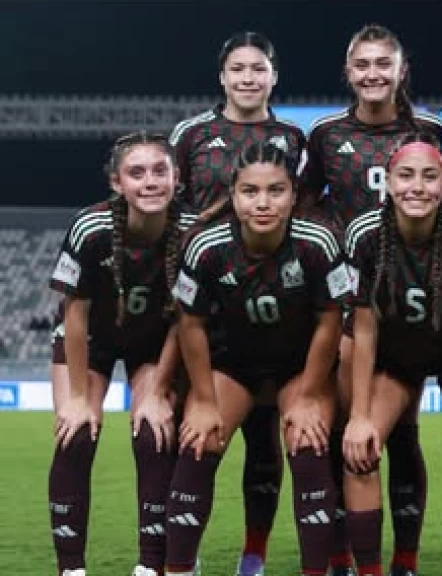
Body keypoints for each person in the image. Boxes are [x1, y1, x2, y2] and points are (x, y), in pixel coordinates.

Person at [162, 142, 346, 576]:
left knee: (308, 439)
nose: (263, 202)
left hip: (299, 368)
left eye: (276, 190)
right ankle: (178, 569)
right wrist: (204, 401)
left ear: (293, 194)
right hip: (234, 366)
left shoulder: (318, 242)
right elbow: (190, 325)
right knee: (198, 440)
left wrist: (310, 394)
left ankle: (314, 570)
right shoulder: (205, 247)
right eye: (250, 192)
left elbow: (331, 321)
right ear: (234, 195)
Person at [299, 25, 442, 576]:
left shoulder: (428, 128)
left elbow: (441, 200)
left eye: (384, 63)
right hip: (345, 302)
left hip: (409, 300)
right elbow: (304, 202)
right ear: (348, 72)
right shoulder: (327, 133)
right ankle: (340, 556)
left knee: (403, 428)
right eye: (362, 64)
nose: (373, 73)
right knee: (341, 428)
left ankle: (402, 560)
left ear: (401, 70)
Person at [168, 31, 306, 576]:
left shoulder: (295, 137)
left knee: (264, 443)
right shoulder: (191, 134)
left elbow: (307, 212)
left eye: (258, 68)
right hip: (205, 306)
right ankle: (186, 553)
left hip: (275, 309)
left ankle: (254, 556)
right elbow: (170, 211)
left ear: (274, 75)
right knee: (198, 433)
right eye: (237, 69)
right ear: (221, 76)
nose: (248, 78)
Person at [340, 131, 442, 576]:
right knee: (361, 449)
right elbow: (364, 328)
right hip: (393, 360)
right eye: (406, 176)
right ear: (388, 183)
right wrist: (357, 414)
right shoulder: (363, 235)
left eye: (430, 177)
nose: (417, 186)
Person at [48, 131, 196, 576]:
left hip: (156, 341)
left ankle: (151, 566)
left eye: (159, 171)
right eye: (136, 173)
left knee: (153, 432)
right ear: (117, 183)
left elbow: (185, 320)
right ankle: (71, 568)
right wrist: (77, 397)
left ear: (177, 178)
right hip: (89, 340)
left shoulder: (191, 232)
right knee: (75, 435)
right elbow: (75, 315)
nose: (149, 182)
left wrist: (157, 390)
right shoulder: (90, 227)